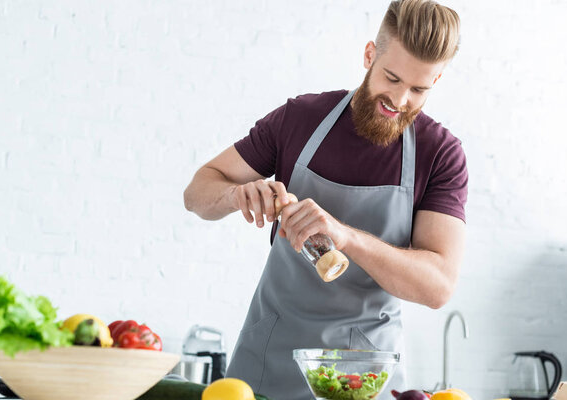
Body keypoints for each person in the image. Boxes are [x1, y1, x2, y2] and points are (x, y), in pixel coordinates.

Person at [183, 0, 467, 398]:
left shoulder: (439, 153)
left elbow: (438, 286)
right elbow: (196, 193)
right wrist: (237, 194)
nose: (400, 101)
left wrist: (345, 237)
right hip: (268, 361)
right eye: (391, 78)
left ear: (436, 81)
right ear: (370, 55)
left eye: (418, 89)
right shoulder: (299, 119)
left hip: (362, 377)